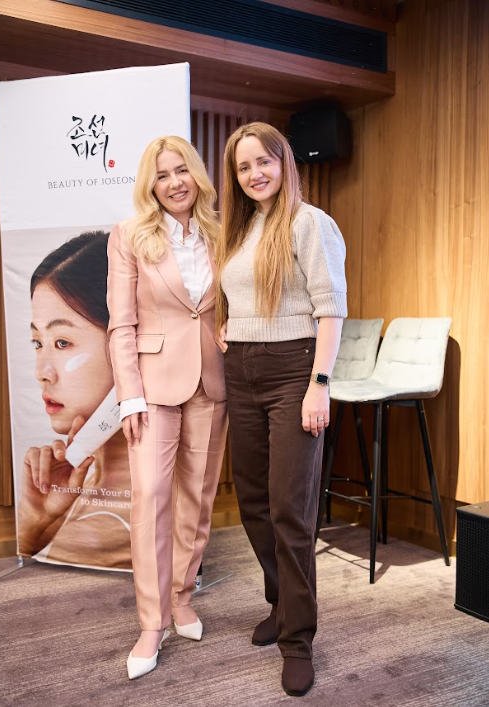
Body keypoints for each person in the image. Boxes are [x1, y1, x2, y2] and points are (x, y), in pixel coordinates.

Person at [216, 122, 347, 697]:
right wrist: (228, 325)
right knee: (253, 504)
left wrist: (320, 385)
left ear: (284, 162)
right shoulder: (242, 229)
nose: (255, 174)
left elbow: (330, 309)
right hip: (241, 371)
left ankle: (297, 640)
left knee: (290, 510)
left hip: (295, 371)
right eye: (244, 167)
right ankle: (280, 603)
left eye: (263, 161)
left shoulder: (309, 222)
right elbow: (241, 297)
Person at [107, 135, 227, 680]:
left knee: (197, 499)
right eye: (162, 175)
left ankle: (182, 596)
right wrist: (129, 394)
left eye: (182, 171)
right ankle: (151, 624)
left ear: (197, 175)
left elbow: (227, 302)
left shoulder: (221, 233)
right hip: (152, 387)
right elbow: (121, 323)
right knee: (152, 499)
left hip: (212, 380)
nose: (175, 182)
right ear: (149, 185)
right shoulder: (130, 235)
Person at [18, 232, 132, 570]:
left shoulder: (106, 527)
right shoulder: (80, 497)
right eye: (38, 343)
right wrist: (38, 519)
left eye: (63, 342)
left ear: (127, 340)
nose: (42, 372)